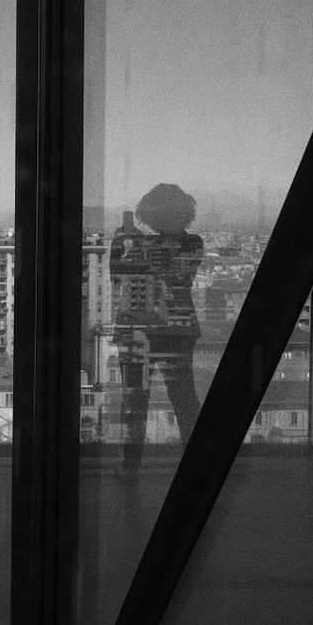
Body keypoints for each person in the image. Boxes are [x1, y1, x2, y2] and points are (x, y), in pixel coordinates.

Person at [110, 184, 203, 470]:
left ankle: (132, 465)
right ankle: (195, 465)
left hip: (149, 331)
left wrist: (131, 245)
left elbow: (168, 273)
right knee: (173, 398)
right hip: (170, 331)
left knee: (154, 400)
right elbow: (118, 274)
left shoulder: (189, 244)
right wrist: (120, 246)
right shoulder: (189, 243)